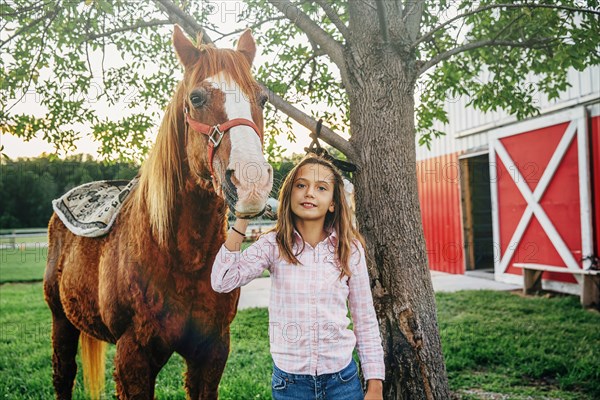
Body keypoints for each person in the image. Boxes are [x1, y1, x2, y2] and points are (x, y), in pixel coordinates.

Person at [211, 153, 385, 400]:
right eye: (301, 185)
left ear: (333, 203)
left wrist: (375, 385)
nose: (309, 193)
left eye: (321, 188)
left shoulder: (349, 249)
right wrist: (241, 219)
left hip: (342, 382)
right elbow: (222, 280)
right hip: (291, 385)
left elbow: (365, 320)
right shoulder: (273, 244)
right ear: (289, 194)